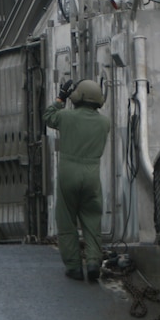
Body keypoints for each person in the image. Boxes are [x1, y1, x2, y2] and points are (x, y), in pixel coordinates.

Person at [44, 79, 111, 281]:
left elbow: (48, 117)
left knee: (67, 221)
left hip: (68, 172)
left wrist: (60, 98)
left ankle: (73, 266)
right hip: (91, 173)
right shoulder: (104, 122)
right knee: (91, 219)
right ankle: (92, 262)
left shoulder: (66, 116)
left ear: (78, 97)